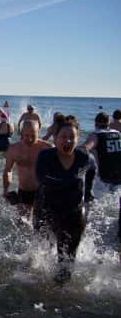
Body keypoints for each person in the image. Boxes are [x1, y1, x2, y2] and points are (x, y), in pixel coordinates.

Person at [34, 116, 96, 283]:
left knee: (67, 259)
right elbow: (43, 180)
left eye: (72, 137)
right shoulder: (45, 156)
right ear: (55, 138)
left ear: (78, 138)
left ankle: (60, 294)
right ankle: (40, 285)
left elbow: (92, 169)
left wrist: (88, 193)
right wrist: (73, 181)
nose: (67, 140)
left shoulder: (84, 157)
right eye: (63, 136)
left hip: (73, 212)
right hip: (46, 209)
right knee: (43, 252)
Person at [81, 112, 121, 254]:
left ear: (95, 123)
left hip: (103, 179)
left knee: (94, 205)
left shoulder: (96, 135)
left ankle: (89, 229)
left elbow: (86, 148)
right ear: (108, 122)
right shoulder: (117, 132)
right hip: (119, 177)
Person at [3, 120, 53, 219]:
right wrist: (5, 190)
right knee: (22, 223)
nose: (29, 139)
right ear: (21, 133)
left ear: (38, 133)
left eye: (33, 135)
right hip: (24, 191)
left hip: (42, 192)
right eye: (26, 135)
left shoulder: (47, 148)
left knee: (41, 225)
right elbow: (8, 170)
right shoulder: (14, 149)